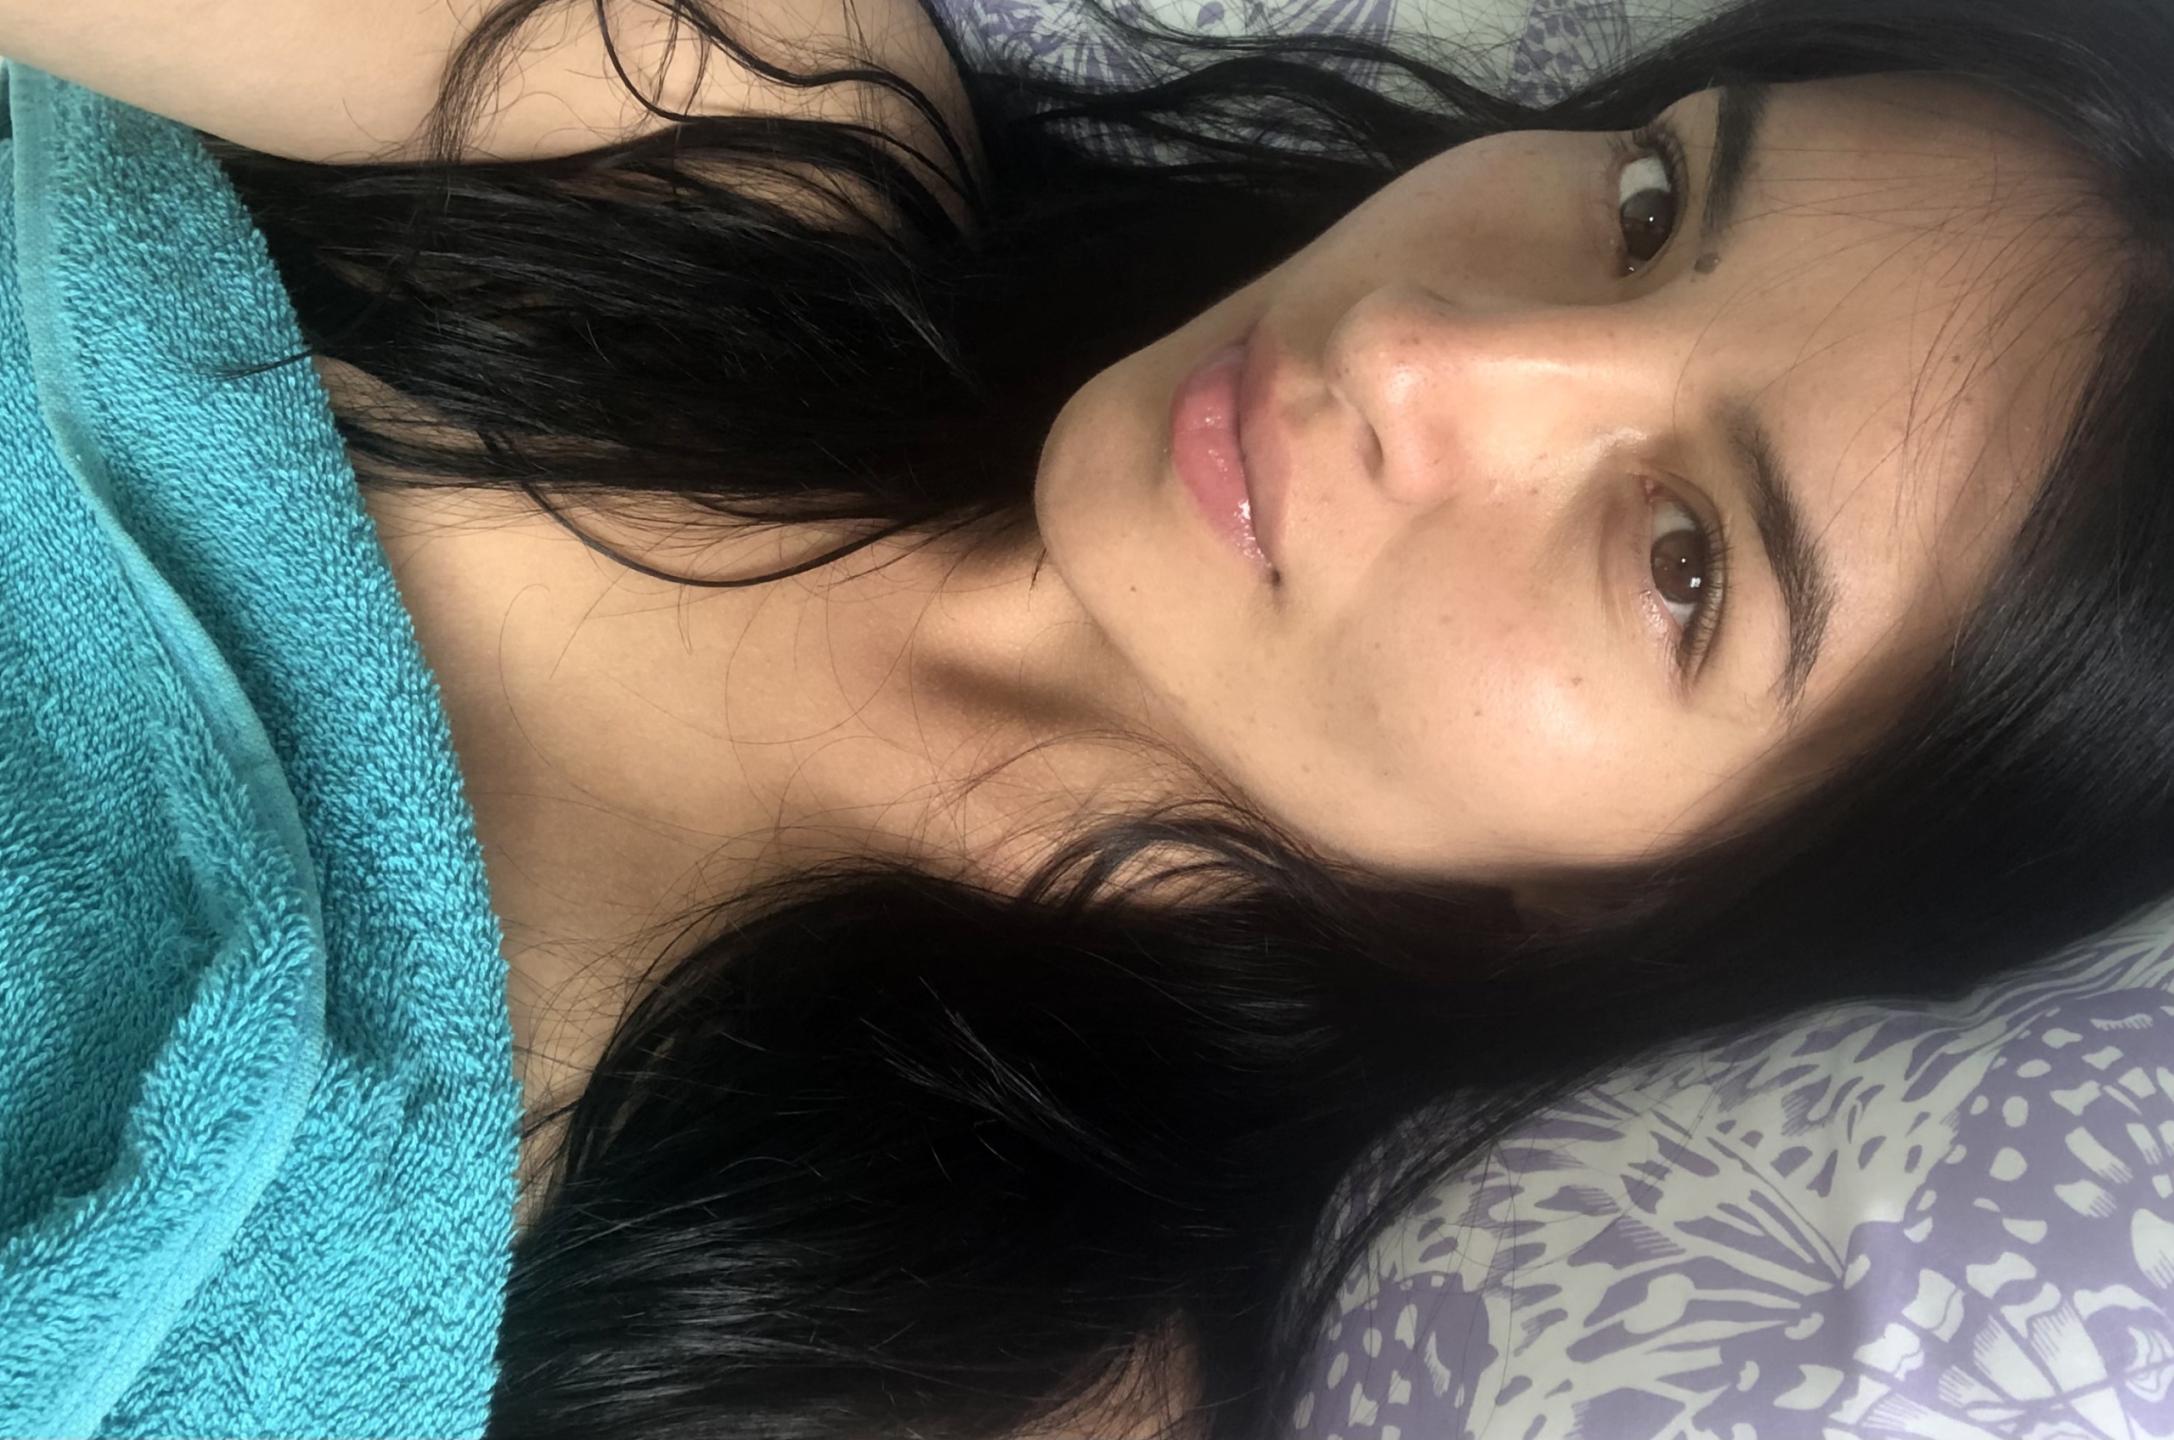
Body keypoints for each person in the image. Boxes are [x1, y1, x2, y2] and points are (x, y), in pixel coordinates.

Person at [133, 0, 2174, 1430]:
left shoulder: (970, 1346)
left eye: (1680, 561)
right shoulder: (739, 99)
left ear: (1682, 903)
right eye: (1645, 207)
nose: (1417, 347)